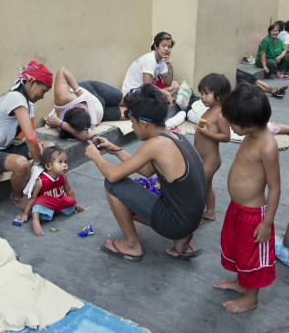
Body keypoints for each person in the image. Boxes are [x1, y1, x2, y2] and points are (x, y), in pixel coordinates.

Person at [85, 84, 206, 262]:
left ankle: (132, 245)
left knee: (113, 185)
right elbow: (147, 170)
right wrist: (114, 149)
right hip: (191, 220)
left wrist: (96, 157)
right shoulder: (175, 136)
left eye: (132, 122)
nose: (132, 127)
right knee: (130, 191)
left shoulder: (155, 144)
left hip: (175, 223)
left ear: (143, 123)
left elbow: (112, 175)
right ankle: (182, 238)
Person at [214, 83, 280, 313]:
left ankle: (252, 297)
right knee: (239, 249)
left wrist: (267, 223)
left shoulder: (267, 147)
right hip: (237, 208)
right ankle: (241, 283)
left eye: (233, 123)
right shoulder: (250, 135)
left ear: (250, 125)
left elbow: (275, 188)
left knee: (253, 256)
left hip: (254, 215)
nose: (229, 126)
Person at [0, 61, 54, 210]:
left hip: (5, 147)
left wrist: (39, 150)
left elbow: (30, 136)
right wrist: (38, 164)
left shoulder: (26, 101)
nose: (42, 96)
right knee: (22, 163)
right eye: (43, 91)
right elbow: (30, 138)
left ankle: (29, 187)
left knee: (49, 148)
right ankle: (17, 196)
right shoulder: (16, 98)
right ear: (32, 82)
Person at [16, 146, 84, 237]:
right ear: (48, 166)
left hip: (58, 205)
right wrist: (25, 213)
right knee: (39, 200)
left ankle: (69, 208)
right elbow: (32, 198)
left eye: (65, 162)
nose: (64, 165)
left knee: (70, 199)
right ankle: (35, 221)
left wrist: (75, 203)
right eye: (60, 162)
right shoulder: (41, 181)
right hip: (46, 209)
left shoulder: (63, 177)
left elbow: (69, 190)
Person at [45, 67, 127, 141]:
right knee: (130, 113)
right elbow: (89, 135)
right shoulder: (76, 128)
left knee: (131, 100)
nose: (88, 109)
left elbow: (62, 71)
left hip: (94, 91)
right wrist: (61, 124)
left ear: (74, 106)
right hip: (103, 114)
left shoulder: (62, 99)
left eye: (83, 109)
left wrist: (77, 90)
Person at [193, 74, 231, 225]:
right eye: (201, 93)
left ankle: (197, 217)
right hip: (201, 157)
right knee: (207, 186)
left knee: (198, 187)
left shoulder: (220, 115)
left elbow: (226, 136)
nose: (202, 97)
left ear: (220, 95)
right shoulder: (209, 110)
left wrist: (207, 134)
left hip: (210, 159)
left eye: (207, 93)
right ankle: (210, 212)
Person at [122, 32, 179, 109]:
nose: (166, 49)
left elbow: (168, 83)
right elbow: (147, 85)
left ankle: (157, 102)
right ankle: (154, 104)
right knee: (163, 92)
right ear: (156, 46)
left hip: (144, 89)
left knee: (175, 85)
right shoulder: (150, 59)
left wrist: (170, 67)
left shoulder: (162, 59)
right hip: (132, 92)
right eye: (163, 45)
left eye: (169, 46)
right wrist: (167, 94)